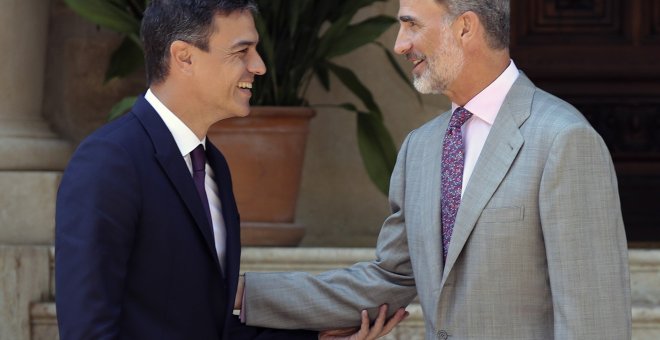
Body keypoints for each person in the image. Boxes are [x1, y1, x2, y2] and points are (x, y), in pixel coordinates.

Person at [237, 0, 632, 339]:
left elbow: (594, 321)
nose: (399, 44)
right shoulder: (419, 149)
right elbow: (390, 280)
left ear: (464, 27)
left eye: (411, 24)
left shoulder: (564, 139)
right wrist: (241, 294)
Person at [54, 0, 406, 339]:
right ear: (184, 57)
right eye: (242, 51)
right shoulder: (108, 163)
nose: (259, 66)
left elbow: (210, 326)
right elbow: (88, 330)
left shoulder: (213, 165)